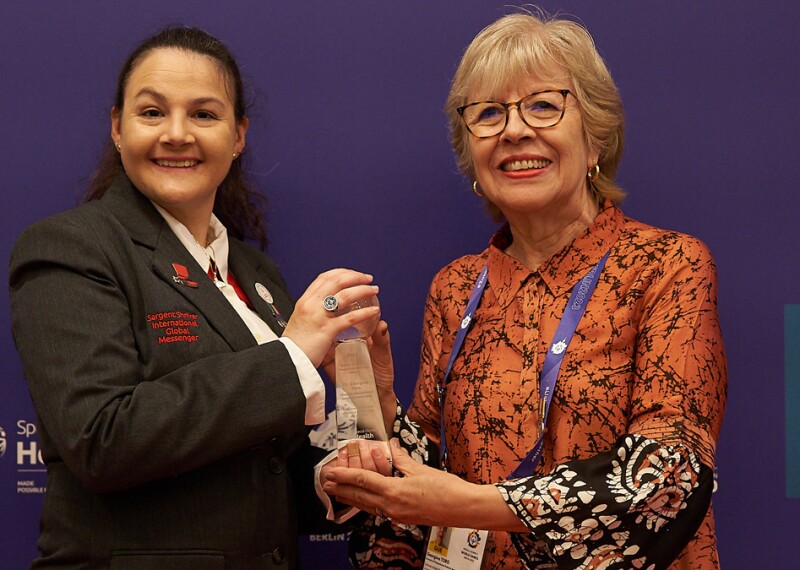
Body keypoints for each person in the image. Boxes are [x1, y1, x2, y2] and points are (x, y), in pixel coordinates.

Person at [323, 11, 727, 570]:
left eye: (543, 105)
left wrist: (481, 505)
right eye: (489, 113)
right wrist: (381, 411)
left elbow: (670, 479)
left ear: (595, 140)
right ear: (472, 156)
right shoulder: (456, 286)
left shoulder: (665, 266)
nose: (514, 130)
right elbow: (423, 485)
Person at [9, 26, 382, 568]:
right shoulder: (70, 247)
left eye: (204, 114)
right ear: (118, 127)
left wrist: (336, 474)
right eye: (152, 112)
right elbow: (100, 441)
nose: (177, 134)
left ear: (238, 136)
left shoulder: (256, 274)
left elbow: (263, 468)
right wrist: (292, 355)